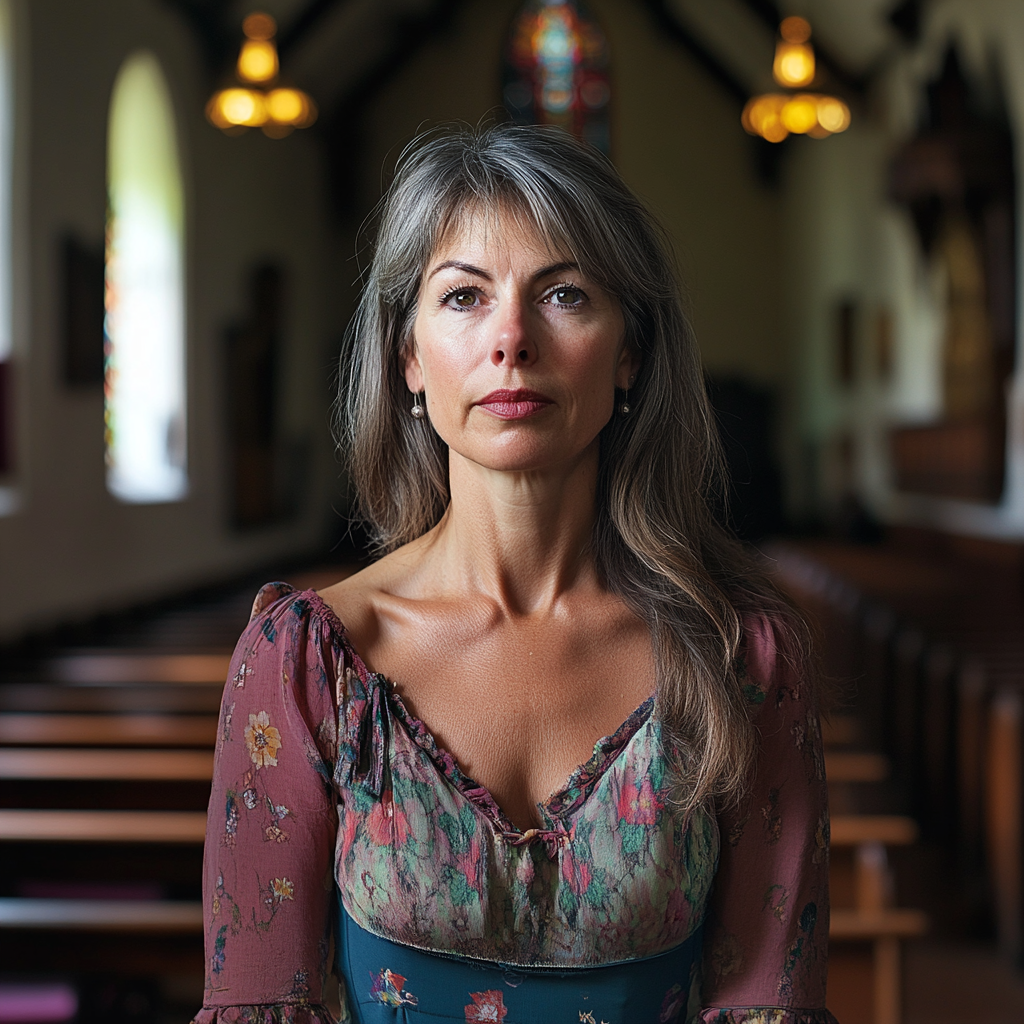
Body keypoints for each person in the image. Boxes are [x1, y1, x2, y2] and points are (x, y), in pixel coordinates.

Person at [191, 123, 836, 1024]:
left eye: (564, 293)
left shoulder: (742, 660)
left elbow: (767, 1004)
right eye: (463, 297)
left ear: (631, 355)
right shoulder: (309, 663)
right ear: (408, 357)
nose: (512, 341)